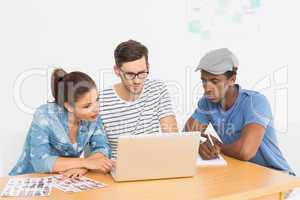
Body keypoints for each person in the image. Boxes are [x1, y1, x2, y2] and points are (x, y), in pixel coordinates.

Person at [184, 48, 294, 175]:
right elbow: (187, 137)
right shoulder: (207, 102)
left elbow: (245, 151)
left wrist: (218, 147)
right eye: (204, 80)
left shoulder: (255, 102)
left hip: (276, 176)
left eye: (214, 81)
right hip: (244, 173)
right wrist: (199, 144)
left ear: (232, 79)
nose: (207, 88)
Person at [10, 68, 115, 178]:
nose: (96, 108)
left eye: (97, 99)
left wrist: (83, 167)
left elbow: (103, 148)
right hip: (29, 180)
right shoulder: (45, 115)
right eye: (87, 106)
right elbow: (40, 162)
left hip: (65, 180)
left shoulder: (92, 116)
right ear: (69, 106)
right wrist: (85, 163)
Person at [99, 40, 178, 158]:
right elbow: (97, 148)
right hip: (118, 168)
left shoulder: (158, 89)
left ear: (148, 67)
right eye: (130, 74)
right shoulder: (101, 101)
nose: (137, 81)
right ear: (117, 71)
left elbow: (172, 137)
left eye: (142, 73)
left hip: (153, 163)